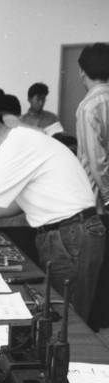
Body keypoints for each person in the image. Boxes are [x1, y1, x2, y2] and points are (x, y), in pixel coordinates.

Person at [0, 101, 105, 325]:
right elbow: (20, 202)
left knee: (66, 322)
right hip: (69, 232)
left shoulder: (15, 145)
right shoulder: (21, 140)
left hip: (70, 234)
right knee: (59, 318)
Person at [76, 43, 109, 329]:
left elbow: (97, 163)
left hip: (98, 205)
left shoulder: (89, 105)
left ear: (82, 71)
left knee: (91, 276)